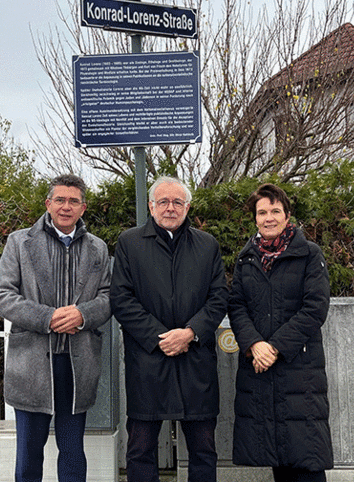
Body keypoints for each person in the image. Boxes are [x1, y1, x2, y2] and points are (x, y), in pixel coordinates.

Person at [0, 174, 111, 482]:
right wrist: (48, 317)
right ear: (48, 203)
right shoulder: (19, 242)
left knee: (72, 452)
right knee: (29, 453)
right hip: (31, 364)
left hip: (77, 363)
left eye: (73, 201)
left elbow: (110, 297)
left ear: (83, 208)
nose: (66, 207)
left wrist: (82, 315)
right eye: (60, 200)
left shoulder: (98, 249)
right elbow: (1, 294)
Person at [110, 176, 228, 482]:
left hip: (196, 361)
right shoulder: (129, 243)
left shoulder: (207, 245)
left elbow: (219, 298)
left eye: (177, 202)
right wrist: (159, 337)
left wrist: (189, 332)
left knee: (203, 451)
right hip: (148, 362)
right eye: (163, 201)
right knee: (140, 450)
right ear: (151, 206)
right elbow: (121, 299)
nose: (170, 208)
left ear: (187, 207)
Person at [228, 183, 333, 482]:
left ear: (287, 215)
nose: (268, 217)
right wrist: (253, 344)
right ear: (255, 218)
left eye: (275, 211)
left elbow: (315, 308)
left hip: (300, 371)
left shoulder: (309, 254)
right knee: (277, 456)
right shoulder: (246, 258)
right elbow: (237, 306)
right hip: (261, 371)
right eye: (262, 212)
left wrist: (273, 348)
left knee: (307, 459)